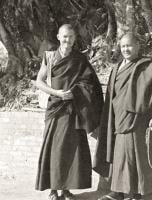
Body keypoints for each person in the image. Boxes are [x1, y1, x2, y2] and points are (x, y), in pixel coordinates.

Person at [93, 33, 152, 200]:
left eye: (129, 46)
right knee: (119, 156)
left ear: (138, 46)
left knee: (135, 156)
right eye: (123, 46)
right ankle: (118, 191)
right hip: (118, 118)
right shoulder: (117, 67)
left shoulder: (146, 66)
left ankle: (134, 193)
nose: (126, 49)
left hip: (137, 120)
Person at [35, 24, 104, 200]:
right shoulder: (49, 57)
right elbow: (39, 82)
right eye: (65, 36)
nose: (68, 40)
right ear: (58, 37)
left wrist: (76, 92)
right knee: (54, 149)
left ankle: (65, 189)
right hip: (56, 108)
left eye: (71, 37)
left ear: (75, 38)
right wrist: (57, 93)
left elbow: (91, 83)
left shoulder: (79, 59)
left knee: (71, 150)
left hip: (74, 110)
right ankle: (53, 189)